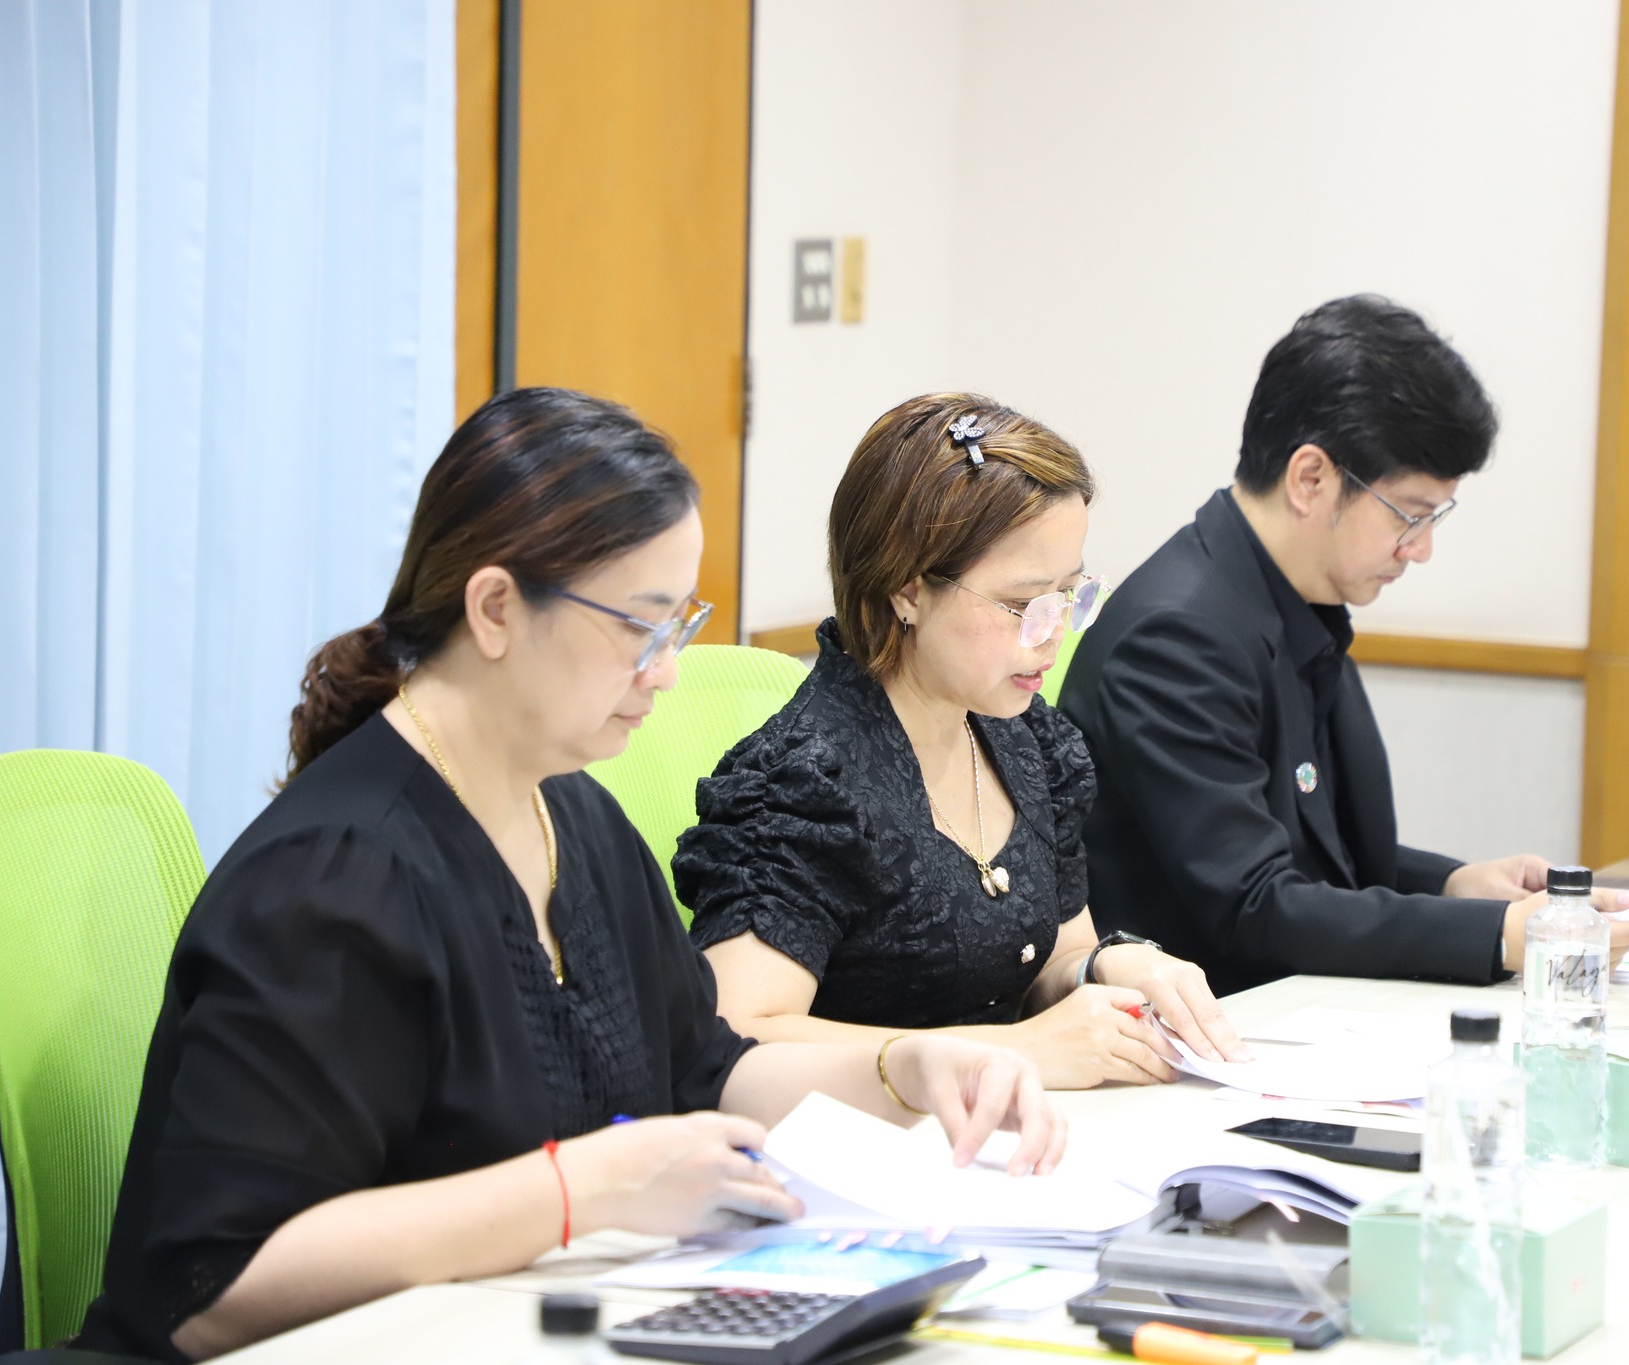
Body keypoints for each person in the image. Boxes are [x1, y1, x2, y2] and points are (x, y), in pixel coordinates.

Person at [75, 388, 1061, 1363]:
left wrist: (904, 1067)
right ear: (496, 609)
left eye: (678, 625)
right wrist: (578, 1189)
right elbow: (210, 1289)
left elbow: (707, 1070)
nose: (665, 671)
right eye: (639, 627)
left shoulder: (572, 816)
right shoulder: (333, 881)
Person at [1059, 297, 1629, 995]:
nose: (1421, 548)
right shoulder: (1177, 636)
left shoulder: (1291, 600)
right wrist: (1501, 933)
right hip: (1202, 1028)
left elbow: (1320, 858)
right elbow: (1255, 902)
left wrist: (1457, 885)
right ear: (1310, 479)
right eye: (1410, 514)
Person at [676, 394, 1248, 1090]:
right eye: (1023, 605)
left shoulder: (1028, 743)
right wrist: (1013, 1051)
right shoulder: (805, 784)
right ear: (908, 591)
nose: (1053, 632)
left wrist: (1105, 966)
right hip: (855, 1144)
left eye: (1070, 595)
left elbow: (1050, 961)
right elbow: (738, 1034)